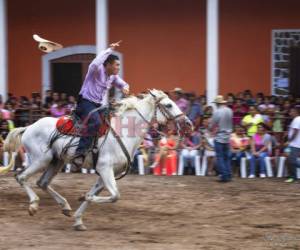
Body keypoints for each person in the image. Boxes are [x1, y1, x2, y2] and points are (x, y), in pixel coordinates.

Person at [73, 41, 129, 166]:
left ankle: (99, 149)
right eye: (116, 65)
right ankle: (79, 153)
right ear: (108, 65)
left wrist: (125, 87)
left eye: (119, 65)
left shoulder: (113, 77)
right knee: (96, 122)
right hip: (85, 102)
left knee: (113, 119)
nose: (118, 68)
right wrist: (109, 50)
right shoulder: (96, 70)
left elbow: (123, 84)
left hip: (97, 105)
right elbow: (95, 62)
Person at [210, 95, 233, 182]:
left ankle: (224, 176)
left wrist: (211, 129)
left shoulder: (217, 112)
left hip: (219, 137)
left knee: (220, 157)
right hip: (228, 136)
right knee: (226, 157)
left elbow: (213, 124)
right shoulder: (230, 110)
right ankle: (229, 174)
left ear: (217, 103)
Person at [285, 107, 300, 183]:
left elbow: (296, 131)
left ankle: (293, 177)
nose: (290, 113)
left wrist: (289, 141)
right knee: (288, 159)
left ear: (296, 112)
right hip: (293, 144)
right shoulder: (296, 119)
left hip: (295, 144)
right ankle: (291, 175)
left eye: (291, 111)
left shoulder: (297, 119)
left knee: (292, 160)